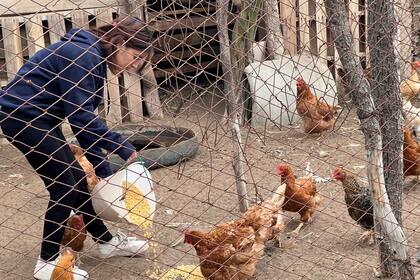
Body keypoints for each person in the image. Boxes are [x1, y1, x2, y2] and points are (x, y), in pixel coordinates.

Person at [0, 16, 154, 280]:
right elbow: (81, 118)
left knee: (77, 182)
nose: (136, 65)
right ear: (120, 44)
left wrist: (103, 170)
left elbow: (84, 125)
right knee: (65, 186)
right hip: (23, 117)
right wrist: (123, 147)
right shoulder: (83, 54)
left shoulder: (92, 56)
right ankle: (47, 262)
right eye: (136, 56)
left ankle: (106, 242)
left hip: (42, 119)